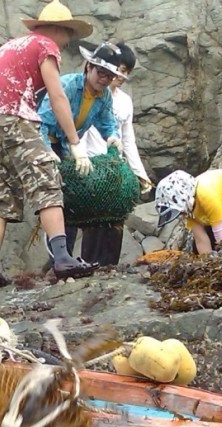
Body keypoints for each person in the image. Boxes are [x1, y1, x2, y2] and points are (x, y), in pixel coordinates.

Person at [0, 0, 97, 289]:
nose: (68, 41)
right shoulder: (45, 46)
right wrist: (74, 140)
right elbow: (57, 97)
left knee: (3, 197)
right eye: (67, 33)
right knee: (47, 185)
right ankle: (63, 259)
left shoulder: (10, 46)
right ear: (56, 29)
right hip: (16, 119)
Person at [37, 42, 126, 264]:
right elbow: (41, 122)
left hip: (68, 146)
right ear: (88, 67)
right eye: (100, 73)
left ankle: (63, 257)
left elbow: (107, 123)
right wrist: (47, 151)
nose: (103, 79)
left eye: (109, 76)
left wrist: (113, 137)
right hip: (45, 141)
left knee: (72, 200)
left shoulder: (103, 96)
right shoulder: (66, 85)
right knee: (53, 198)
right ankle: (57, 256)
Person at [79, 42, 153, 266]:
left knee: (116, 216)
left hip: (115, 166)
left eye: (126, 72)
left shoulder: (125, 101)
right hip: (90, 163)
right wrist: (79, 157)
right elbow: (80, 130)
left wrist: (140, 173)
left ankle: (110, 265)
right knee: (92, 218)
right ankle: (88, 263)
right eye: (119, 69)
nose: (121, 75)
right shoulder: (90, 93)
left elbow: (128, 140)